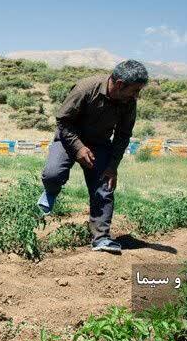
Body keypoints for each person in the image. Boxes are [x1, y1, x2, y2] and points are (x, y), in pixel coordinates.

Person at [37, 60, 148, 253]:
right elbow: (63, 121)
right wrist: (79, 148)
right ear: (120, 84)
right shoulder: (85, 88)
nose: (137, 96)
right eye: (135, 90)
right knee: (52, 174)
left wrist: (113, 166)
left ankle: (101, 238)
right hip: (69, 137)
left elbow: (123, 135)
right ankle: (51, 191)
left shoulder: (129, 102)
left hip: (99, 143)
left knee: (105, 186)